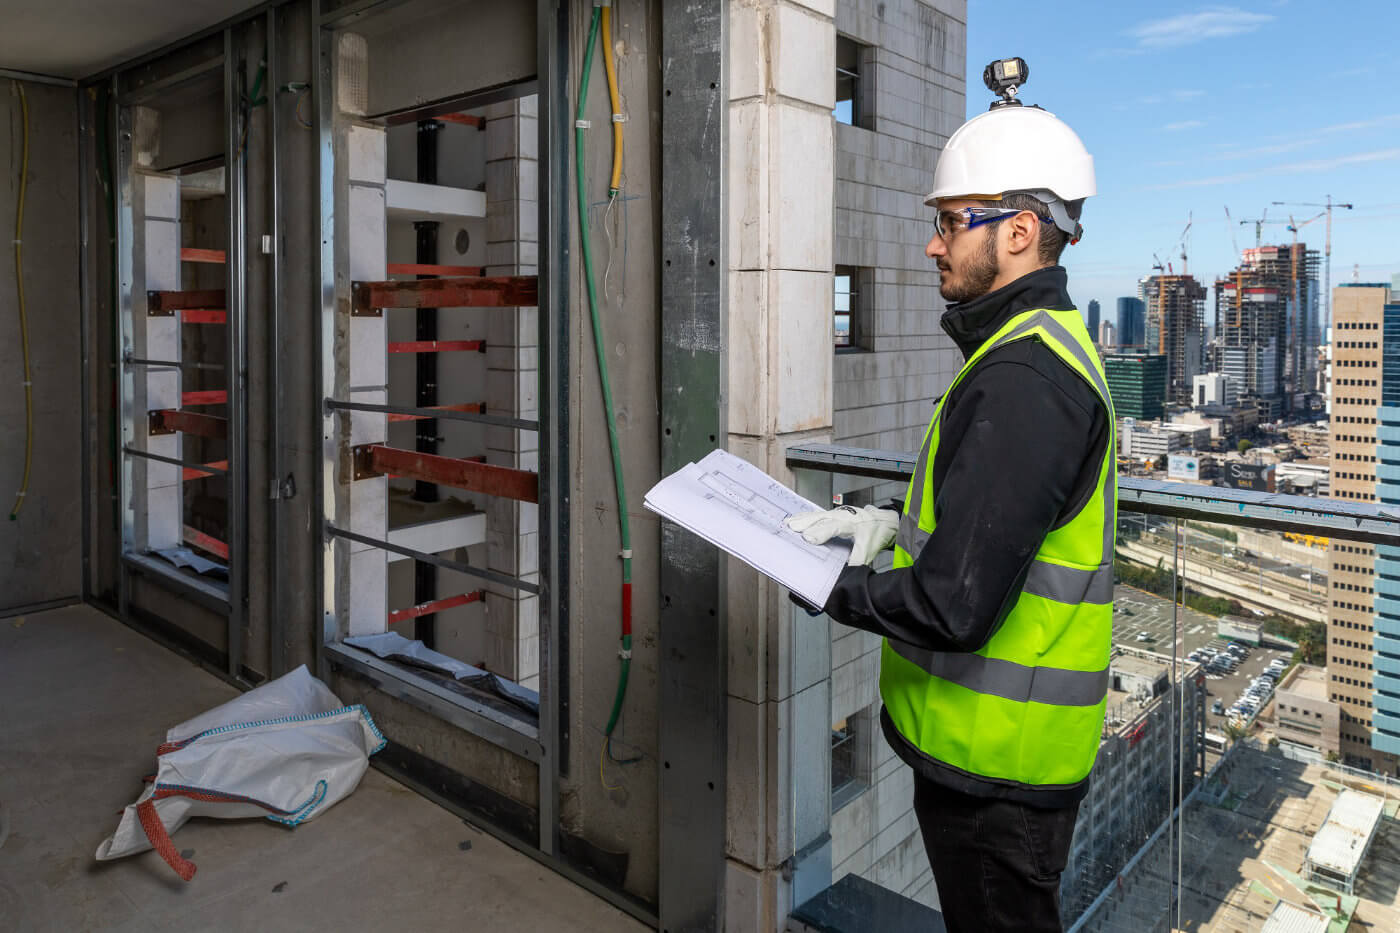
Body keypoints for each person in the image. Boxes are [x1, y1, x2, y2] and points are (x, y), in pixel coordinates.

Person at [786, 60, 1114, 933]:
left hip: (999, 771)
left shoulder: (1026, 378)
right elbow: (989, 533)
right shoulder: (1026, 353)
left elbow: (955, 603)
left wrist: (823, 581)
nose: (935, 244)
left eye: (951, 222)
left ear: (1020, 231)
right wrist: (885, 525)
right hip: (989, 756)